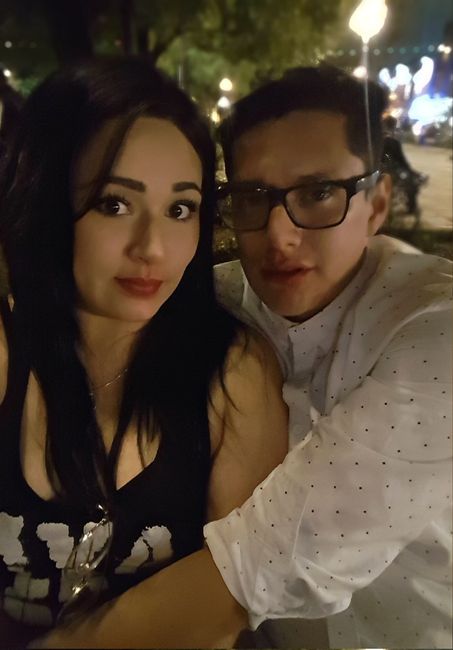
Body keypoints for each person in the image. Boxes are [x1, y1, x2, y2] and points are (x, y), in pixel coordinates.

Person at [36, 65, 452, 650]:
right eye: (253, 198)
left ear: (377, 203)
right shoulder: (219, 300)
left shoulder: (434, 333)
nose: (279, 235)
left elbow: (265, 563)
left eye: (318, 193)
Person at [0, 56, 288, 649]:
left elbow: (233, 592)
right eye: (114, 203)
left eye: (181, 208)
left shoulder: (233, 375)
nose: (153, 247)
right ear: (46, 200)